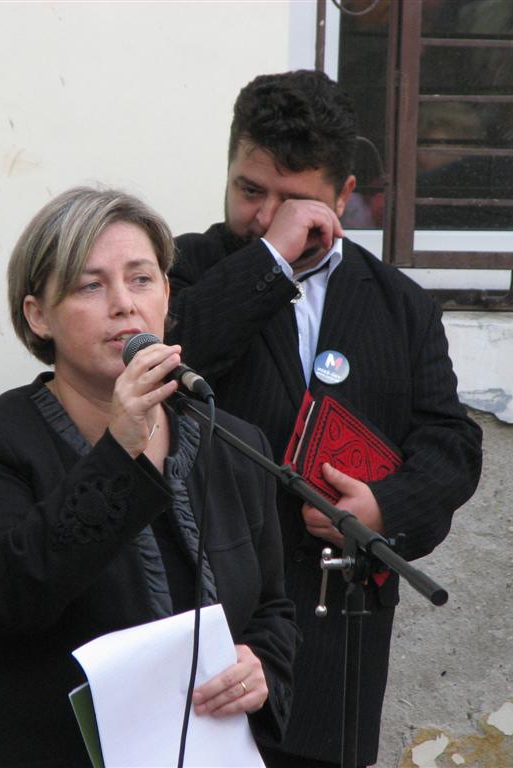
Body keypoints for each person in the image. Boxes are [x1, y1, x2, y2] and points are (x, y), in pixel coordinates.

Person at [166, 70, 483, 767]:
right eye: (250, 191)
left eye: (294, 201)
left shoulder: (400, 304)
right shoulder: (179, 268)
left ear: (344, 196)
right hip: (208, 623)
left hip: (336, 635)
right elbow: (173, 354)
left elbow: (451, 443)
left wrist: (384, 508)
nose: (266, 216)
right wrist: (269, 259)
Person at [0, 186, 298, 767]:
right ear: (38, 315)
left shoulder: (235, 443)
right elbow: (4, 601)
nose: (124, 304)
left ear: (167, 296)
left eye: (141, 279)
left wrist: (261, 668)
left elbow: (272, 609)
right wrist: (120, 448)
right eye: (90, 285)